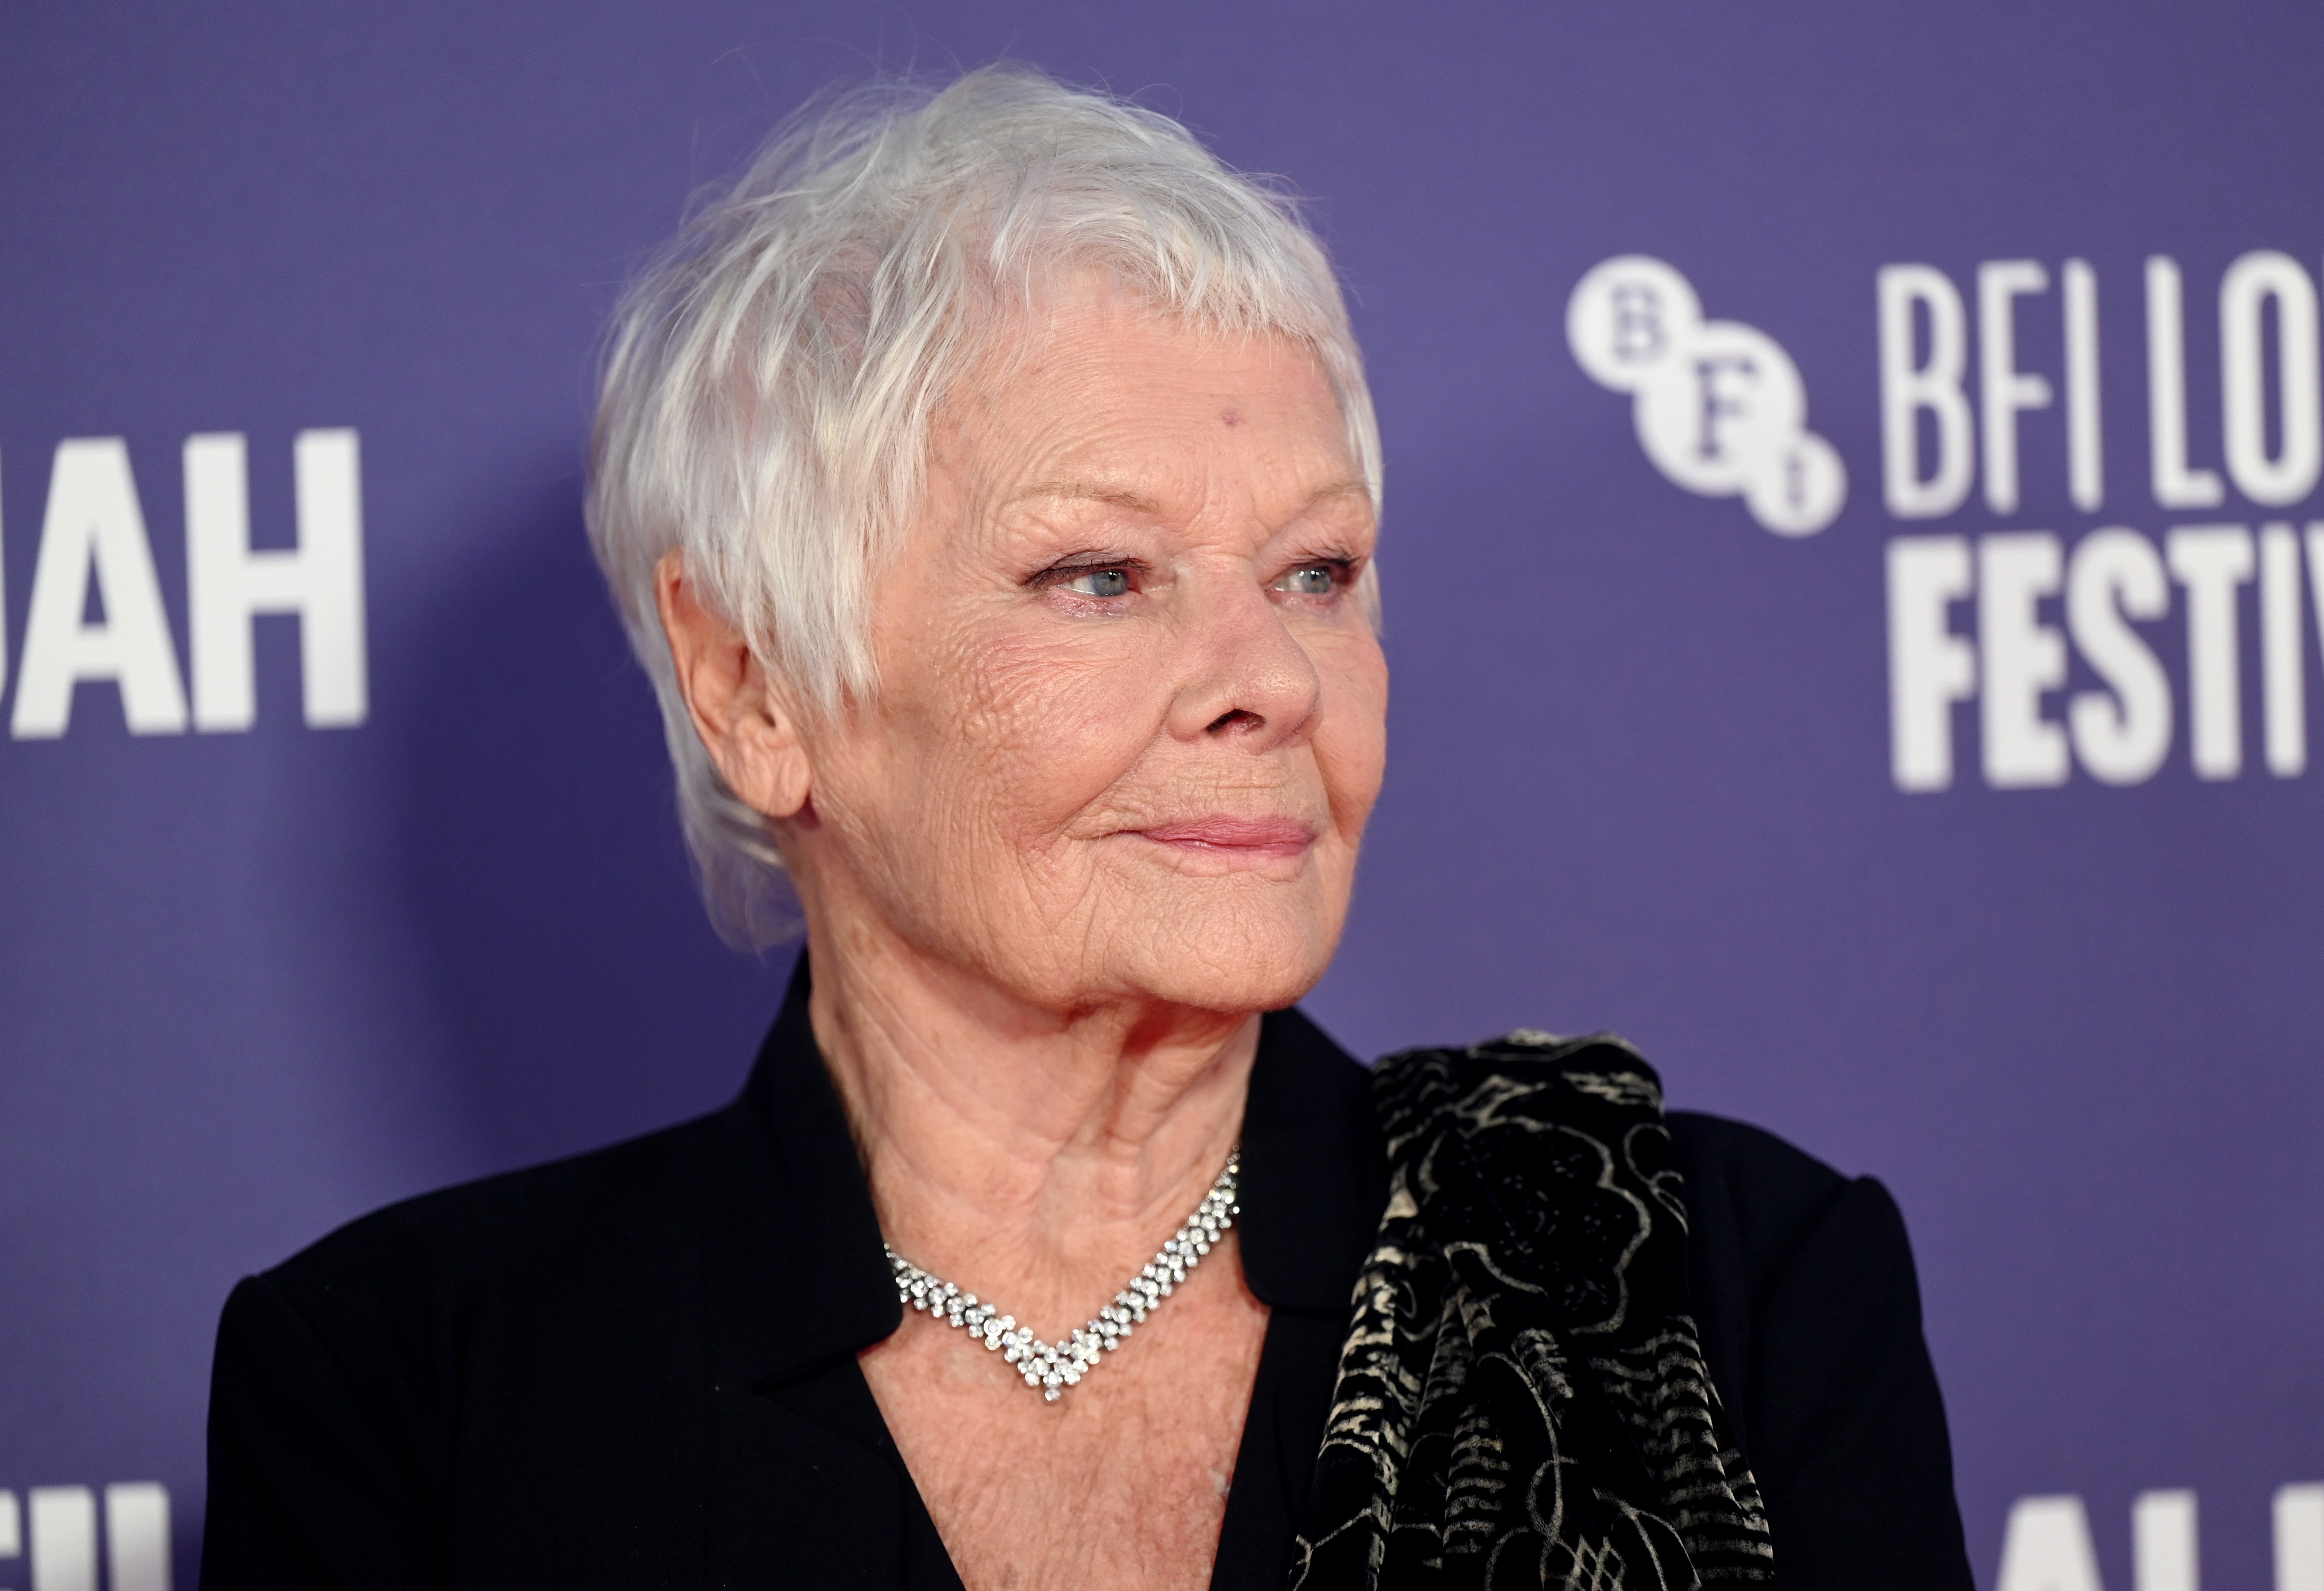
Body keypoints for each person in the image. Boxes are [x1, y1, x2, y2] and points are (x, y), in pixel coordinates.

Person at [199, 66, 1972, 1591]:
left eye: (1317, 570)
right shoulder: (412, 1400)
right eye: (1100, 574)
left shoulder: (1718, 1288)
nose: (1267, 676)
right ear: (754, 685)